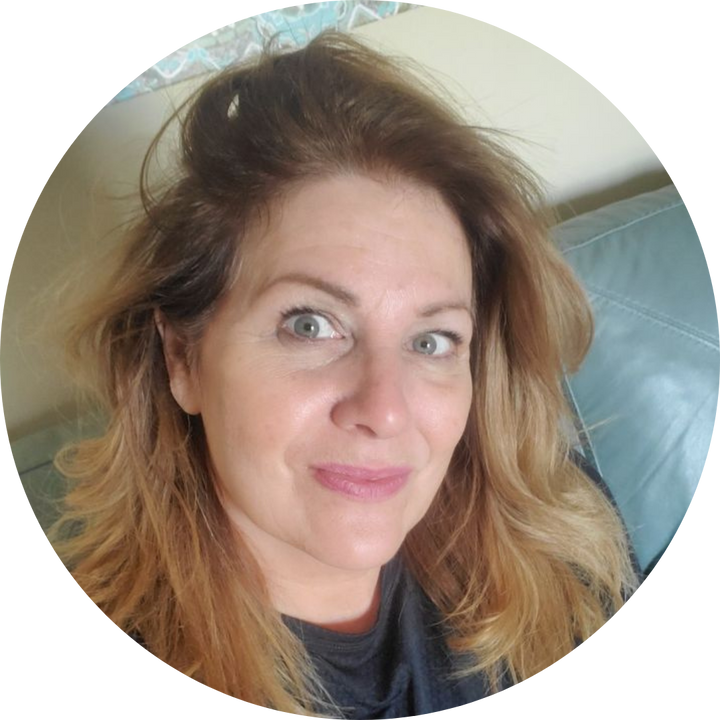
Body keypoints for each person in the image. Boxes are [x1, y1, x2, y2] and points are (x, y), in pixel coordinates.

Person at [45, 31, 640, 718]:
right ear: (182, 359)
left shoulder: (560, 531)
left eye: (432, 340)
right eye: (309, 325)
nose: (384, 410)